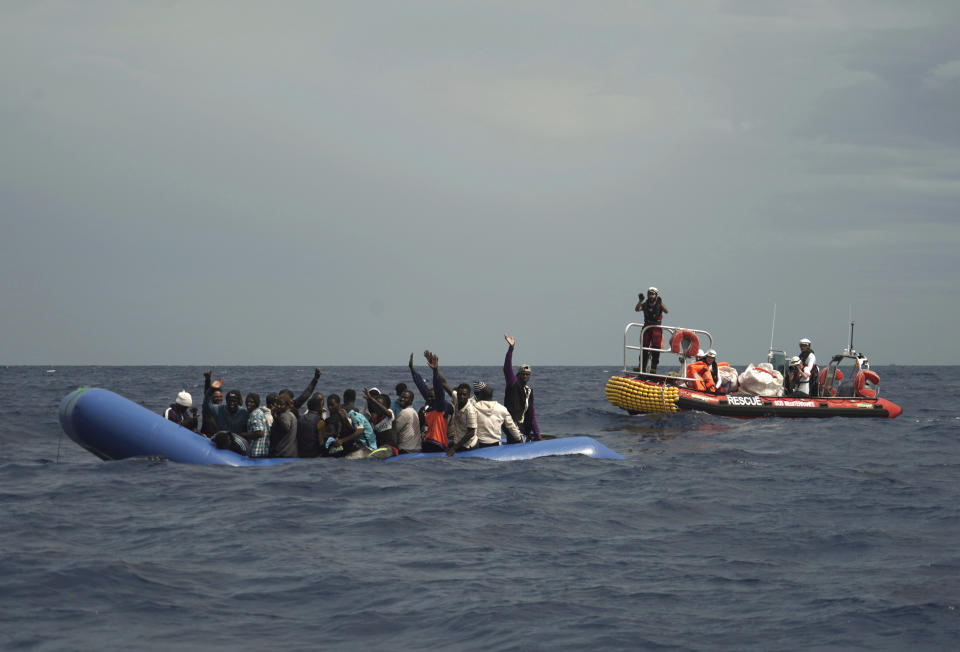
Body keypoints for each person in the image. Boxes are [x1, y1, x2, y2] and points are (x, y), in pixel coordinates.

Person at [431, 354, 479, 456]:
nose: (461, 397)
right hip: (458, 440)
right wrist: (435, 370)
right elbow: (444, 383)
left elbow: (471, 433)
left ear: (468, 396)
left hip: (468, 444)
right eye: (460, 394)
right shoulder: (457, 398)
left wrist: (454, 448)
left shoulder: (470, 410)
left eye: (464, 395)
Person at [410, 352, 453, 453]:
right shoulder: (431, 404)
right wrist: (412, 370)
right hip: (428, 443)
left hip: (438, 445)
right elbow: (421, 385)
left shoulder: (441, 406)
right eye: (428, 397)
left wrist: (435, 371)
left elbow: (438, 388)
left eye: (431, 397)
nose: (428, 399)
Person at [502, 334, 541, 441]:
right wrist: (511, 348)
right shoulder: (513, 383)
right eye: (523, 373)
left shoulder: (529, 391)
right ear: (518, 374)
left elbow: (532, 415)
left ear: (530, 376)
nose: (525, 376)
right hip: (511, 425)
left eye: (527, 374)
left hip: (523, 428)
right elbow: (507, 368)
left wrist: (538, 436)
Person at [472, 381, 523, 447]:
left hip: (479, 444)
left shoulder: (473, 408)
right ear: (492, 396)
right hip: (495, 444)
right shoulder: (502, 409)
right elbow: (511, 426)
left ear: (480, 395)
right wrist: (519, 438)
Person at [634, 287, 669, 374]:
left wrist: (661, 303)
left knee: (655, 349)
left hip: (656, 328)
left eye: (653, 294)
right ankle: (641, 367)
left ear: (656, 295)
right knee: (644, 348)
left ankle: (653, 368)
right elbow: (637, 309)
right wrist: (640, 301)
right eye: (650, 294)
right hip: (647, 327)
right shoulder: (645, 304)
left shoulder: (659, 304)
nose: (651, 296)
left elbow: (666, 311)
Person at [392, 389, 422, 454]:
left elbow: (394, 431)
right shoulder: (414, 412)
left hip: (406, 449)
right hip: (416, 448)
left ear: (411, 400)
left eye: (405, 398)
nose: (402, 399)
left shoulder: (404, 412)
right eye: (401, 397)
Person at [296, 393, 326, 458]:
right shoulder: (320, 421)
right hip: (314, 454)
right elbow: (321, 442)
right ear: (318, 407)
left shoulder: (300, 419)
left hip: (300, 454)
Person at [245, 393, 272, 458]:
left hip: (256, 453)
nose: (249, 404)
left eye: (252, 402)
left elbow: (260, 433)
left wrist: (242, 435)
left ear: (256, 403)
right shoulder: (260, 412)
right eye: (247, 402)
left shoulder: (255, 414)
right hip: (263, 452)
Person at [200, 371, 222, 436]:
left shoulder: (222, 409)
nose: (219, 398)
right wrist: (207, 380)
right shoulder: (208, 408)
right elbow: (207, 394)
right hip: (206, 437)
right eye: (216, 397)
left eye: (220, 396)